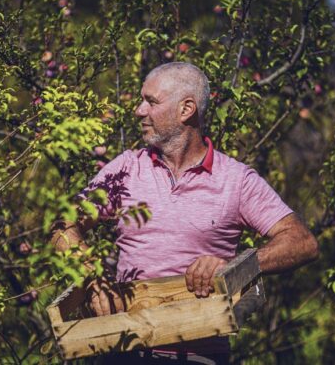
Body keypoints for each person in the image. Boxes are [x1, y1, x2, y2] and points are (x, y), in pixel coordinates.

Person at [50, 62, 319, 364]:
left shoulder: (236, 180)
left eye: (151, 102)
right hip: (122, 350)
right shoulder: (127, 168)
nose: (139, 110)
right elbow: (63, 223)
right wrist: (92, 278)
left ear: (186, 109)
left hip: (199, 355)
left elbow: (302, 242)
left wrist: (234, 267)